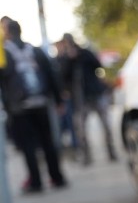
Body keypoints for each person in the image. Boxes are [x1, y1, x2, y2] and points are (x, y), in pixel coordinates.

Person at [0, 18, 68, 193]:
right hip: (41, 103)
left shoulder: (4, 53)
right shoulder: (35, 50)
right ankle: (57, 177)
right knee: (48, 142)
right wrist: (59, 101)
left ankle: (36, 182)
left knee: (28, 146)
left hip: (19, 108)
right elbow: (52, 75)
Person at [59, 33, 117, 164]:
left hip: (95, 93)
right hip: (80, 97)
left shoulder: (85, 53)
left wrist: (80, 56)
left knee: (106, 124)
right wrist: (69, 59)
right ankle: (86, 156)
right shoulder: (64, 58)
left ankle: (111, 151)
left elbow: (97, 64)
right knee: (81, 129)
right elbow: (63, 76)